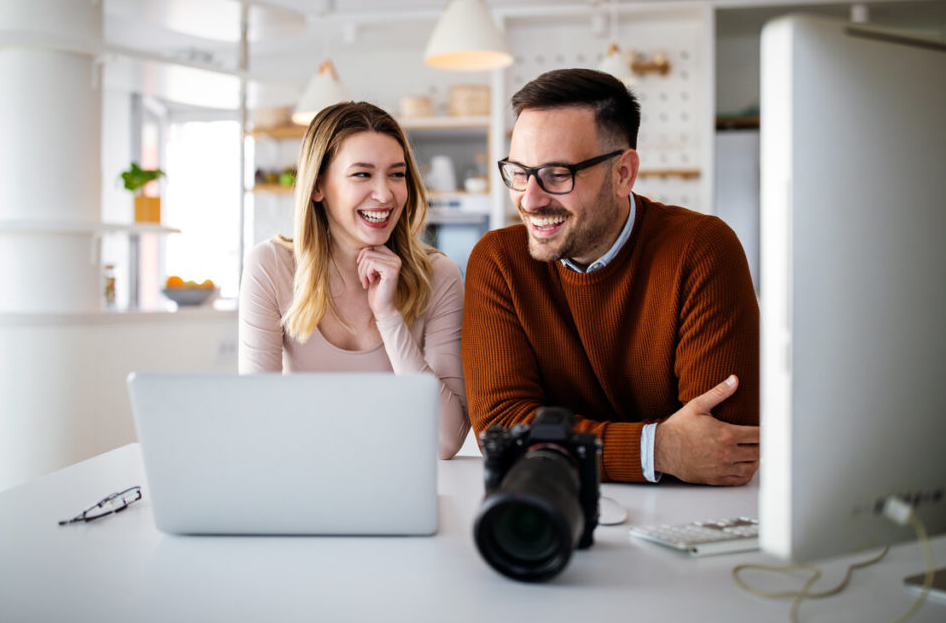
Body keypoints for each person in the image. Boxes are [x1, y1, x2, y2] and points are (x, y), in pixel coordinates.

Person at [461, 69, 759, 485]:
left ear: (623, 173)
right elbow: (502, 432)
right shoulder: (499, 262)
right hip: (547, 508)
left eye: (557, 174)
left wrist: (562, 442)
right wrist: (658, 448)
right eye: (519, 171)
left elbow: (724, 443)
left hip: (686, 520)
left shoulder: (703, 249)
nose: (529, 199)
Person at [239, 101, 470, 459]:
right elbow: (256, 422)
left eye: (397, 174)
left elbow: (446, 441)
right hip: (304, 476)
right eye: (362, 174)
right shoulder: (271, 267)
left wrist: (390, 318)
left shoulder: (438, 275)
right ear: (318, 187)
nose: (385, 194)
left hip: (402, 482)